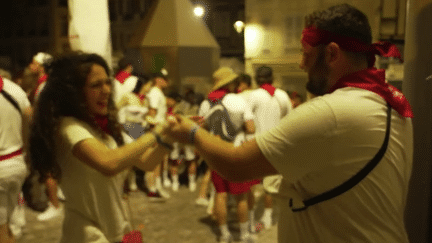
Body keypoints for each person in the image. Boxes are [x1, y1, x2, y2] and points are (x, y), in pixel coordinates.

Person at [166, 4, 413, 243]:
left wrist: (192, 133)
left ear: (332, 54)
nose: (301, 64)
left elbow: (235, 165)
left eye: (307, 54)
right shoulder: (391, 103)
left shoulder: (331, 112)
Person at [29, 52, 174, 243]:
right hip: (87, 235)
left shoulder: (101, 128)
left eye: (107, 83)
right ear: (74, 91)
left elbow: (146, 162)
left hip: (116, 231)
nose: (106, 90)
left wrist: (171, 137)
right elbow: (109, 163)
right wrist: (156, 132)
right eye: (96, 85)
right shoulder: (68, 127)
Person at [199, 67, 256, 243]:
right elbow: (251, 128)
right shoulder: (238, 101)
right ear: (230, 83)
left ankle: (224, 234)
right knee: (241, 197)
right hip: (236, 152)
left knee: (220, 194)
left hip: (217, 153)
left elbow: (203, 129)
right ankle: (244, 234)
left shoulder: (206, 103)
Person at [247, 66, 292, 230]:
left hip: (257, 144)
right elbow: (289, 119)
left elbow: (248, 122)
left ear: (256, 79)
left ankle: (251, 219)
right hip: (276, 146)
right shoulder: (282, 96)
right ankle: (267, 217)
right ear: (272, 78)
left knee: (251, 185)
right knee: (270, 183)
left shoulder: (253, 96)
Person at [0, 75, 32, 243]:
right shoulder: (14, 89)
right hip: (16, 164)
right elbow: (29, 118)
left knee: (2, 231)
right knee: (8, 226)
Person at [144, 71, 171, 199]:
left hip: (160, 129)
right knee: (154, 160)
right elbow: (151, 114)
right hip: (156, 129)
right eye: (164, 79)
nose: (167, 81)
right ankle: (152, 189)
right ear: (158, 79)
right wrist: (154, 133)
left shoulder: (158, 93)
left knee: (159, 160)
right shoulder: (155, 93)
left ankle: (157, 187)